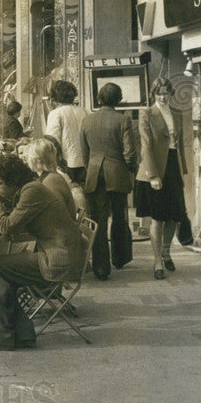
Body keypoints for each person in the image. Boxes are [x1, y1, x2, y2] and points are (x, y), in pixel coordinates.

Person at [0, 154, 86, 352]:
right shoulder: (29, 188)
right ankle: (10, 332)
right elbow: (7, 215)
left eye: (0, 184)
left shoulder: (32, 191)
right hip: (53, 254)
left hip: (58, 261)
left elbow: (7, 226)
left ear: (13, 181)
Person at [81, 82, 136, 280]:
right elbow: (129, 152)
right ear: (118, 100)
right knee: (120, 217)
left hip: (95, 173)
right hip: (117, 172)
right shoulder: (123, 120)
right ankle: (120, 258)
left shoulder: (87, 120)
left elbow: (84, 152)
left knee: (98, 220)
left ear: (99, 98)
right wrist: (131, 169)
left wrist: (91, 169)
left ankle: (101, 267)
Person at [134, 78, 189, 280]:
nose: (163, 97)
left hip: (173, 165)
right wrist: (153, 175)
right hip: (155, 167)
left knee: (175, 214)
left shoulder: (177, 113)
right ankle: (157, 260)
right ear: (153, 94)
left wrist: (183, 169)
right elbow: (146, 144)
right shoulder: (146, 113)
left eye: (166, 93)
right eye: (159, 93)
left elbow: (180, 142)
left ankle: (166, 251)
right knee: (157, 217)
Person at [45, 80, 88, 184]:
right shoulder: (83, 111)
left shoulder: (55, 114)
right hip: (84, 162)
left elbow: (52, 141)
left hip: (66, 163)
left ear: (55, 97)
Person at [25, 137, 78, 218]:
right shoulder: (52, 176)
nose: (26, 160)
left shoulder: (50, 180)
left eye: (28, 157)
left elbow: (57, 213)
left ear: (38, 160)